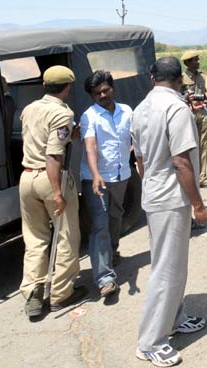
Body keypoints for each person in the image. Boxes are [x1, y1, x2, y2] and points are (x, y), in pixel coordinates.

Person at [131, 57, 207, 367]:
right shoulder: (177, 109)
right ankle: (150, 341)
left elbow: (139, 159)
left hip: (155, 196)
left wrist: (152, 184)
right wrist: (198, 205)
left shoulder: (140, 109)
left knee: (170, 266)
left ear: (153, 78)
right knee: (167, 269)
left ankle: (175, 318)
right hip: (171, 199)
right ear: (180, 79)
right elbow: (181, 162)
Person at [19, 66, 86, 319]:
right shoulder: (62, 114)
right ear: (67, 87)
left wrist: (69, 136)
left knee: (35, 238)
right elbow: (53, 154)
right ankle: (61, 293)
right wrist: (58, 191)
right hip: (50, 178)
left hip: (26, 177)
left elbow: (39, 139)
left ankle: (33, 293)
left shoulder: (29, 109)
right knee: (66, 235)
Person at [79, 70, 132, 299]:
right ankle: (105, 278)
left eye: (105, 90)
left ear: (112, 89)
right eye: (97, 92)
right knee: (100, 224)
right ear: (92, 95)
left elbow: (137, 137)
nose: (102, 95)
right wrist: (95, 172)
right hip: (96, 179)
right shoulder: (88, 116)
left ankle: (112, 250)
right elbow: (90, 145)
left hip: (121, 176)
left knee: (116, 216)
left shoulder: (127, 111)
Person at [180, 50, 207, 189]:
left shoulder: (202, 77)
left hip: (201, 114)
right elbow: (179, 97)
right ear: (188, 62)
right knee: (190, 147)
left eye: (198, 59)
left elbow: (204, 95)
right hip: (188, 115)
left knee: (203, 145)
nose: (198, 62)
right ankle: (191, 177)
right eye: (195, 60)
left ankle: (202, 177)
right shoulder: (182, 78)